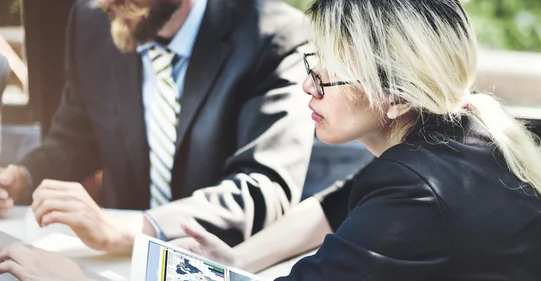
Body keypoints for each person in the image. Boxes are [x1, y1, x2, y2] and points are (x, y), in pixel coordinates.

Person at [2, 0, 541, 281]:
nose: (306, 85)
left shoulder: (418, 194)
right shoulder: (453, 136)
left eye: (328, 75)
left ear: (394, 97)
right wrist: (237, 263)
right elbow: (334, 205)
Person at [0, 0, 314, 252]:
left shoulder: (273, 36)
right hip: (112, 266)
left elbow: (264, 186)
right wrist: (25, 176)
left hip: (219, 269)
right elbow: (76, 138)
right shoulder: (92, 19)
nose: (105, 3)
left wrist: (140, 229)